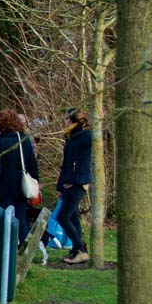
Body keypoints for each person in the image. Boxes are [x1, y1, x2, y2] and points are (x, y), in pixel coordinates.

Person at [0, 109, 39, 244]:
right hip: (21, 184)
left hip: (5, 186)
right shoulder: (23, 140)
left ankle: (8, 246)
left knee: (6, 218)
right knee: (21, 217)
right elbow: (32, 163)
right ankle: (23, 246)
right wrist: (36, 181)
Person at [56, 108, 92, 264]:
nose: (64, 122)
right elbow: (65, 164)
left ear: (71, 121)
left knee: (63, 217)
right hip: (69, 182)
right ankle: (78, 249)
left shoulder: (84, 137)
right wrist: (60, 186)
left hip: (77, 182)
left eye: (66, 119)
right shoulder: (71, 137)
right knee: (73, 216)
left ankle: (81, 250)